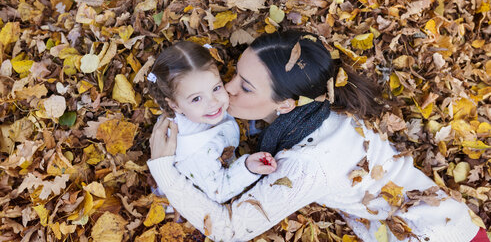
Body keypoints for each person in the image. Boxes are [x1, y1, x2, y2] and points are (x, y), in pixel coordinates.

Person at [147, 31, 487, 242]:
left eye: (245, 86)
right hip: (450, 219)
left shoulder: (304, 165)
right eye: (233, 75)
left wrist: (163, 167)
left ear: (285, 104)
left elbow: (228, 229)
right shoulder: (322, 104)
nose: (228, 92)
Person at [147, 41, 277, 204]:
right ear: (175, 105)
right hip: (202, 195)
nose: (213, 102)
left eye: (216, 88)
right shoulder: (197, 153)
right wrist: (247, 167)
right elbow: (219, 191)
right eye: (196, 98)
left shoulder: (195, 111)